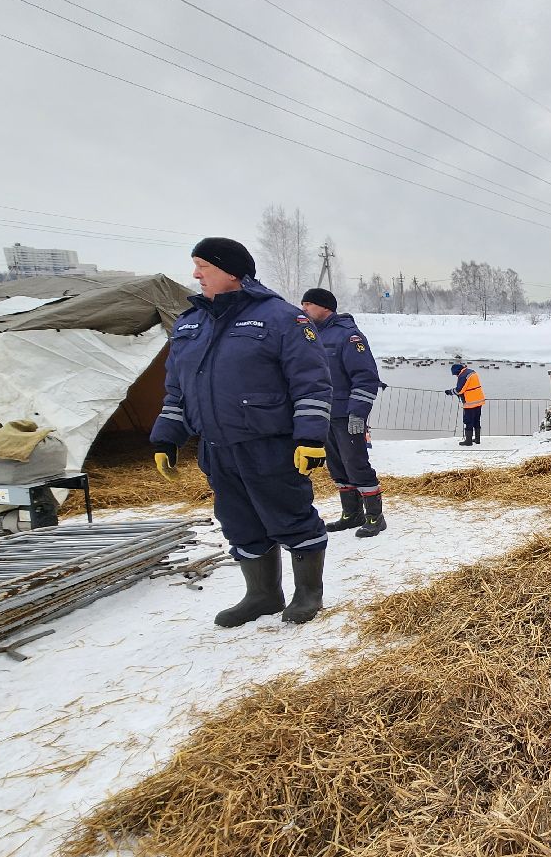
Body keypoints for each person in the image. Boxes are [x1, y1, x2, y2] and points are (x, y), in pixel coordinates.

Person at [150, 238, 333, 627]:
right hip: (217, 448)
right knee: (238, 522)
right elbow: (178, 390)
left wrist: (311, 438)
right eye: (195, 265)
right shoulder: (189, 324)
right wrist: (166, 437)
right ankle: (262, 594)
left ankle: (307, 593)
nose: (196, 274)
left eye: (204, 266)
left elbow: (312, 383)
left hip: (268, 444)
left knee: (290, 517)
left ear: (232, 271)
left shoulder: (282, 318)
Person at [299, 287, 386, 538]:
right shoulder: (309, 334)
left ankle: (375, 517)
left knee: (356, 464)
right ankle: (351, 514)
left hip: (346, 415)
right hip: (321, 414)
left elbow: (366, 378)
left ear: (325, 306)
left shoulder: (348, 336)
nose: (303, 309)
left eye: (308, 304)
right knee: (337, 467)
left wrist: (358, 413)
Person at [445, 362, 485, 444]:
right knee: (476, 420)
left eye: (455, 374)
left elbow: (459, 390)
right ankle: (477, 439)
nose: (456, 376)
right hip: (479, 400)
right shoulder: (471, 372)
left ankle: (468, 441)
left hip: (470, 402)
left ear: (457, 371)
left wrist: (449, 392)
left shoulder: (463, 376)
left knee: (468, 421)